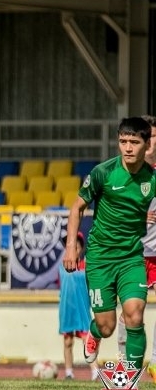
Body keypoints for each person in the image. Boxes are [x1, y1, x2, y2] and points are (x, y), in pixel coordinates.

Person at [63, 116, 156, 373]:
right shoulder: (103, 172)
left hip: (132, 259)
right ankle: (94, 332)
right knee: (107, 326)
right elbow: (76, 207)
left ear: (147, 145)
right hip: (100, 260)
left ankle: (129, 379)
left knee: (135, 314)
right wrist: (70, 247)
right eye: (123, 141)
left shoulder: (152, 179)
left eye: (134, 142)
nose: (128, 148)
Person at [117, 113, 156, 382]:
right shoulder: (123, 172)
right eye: (150, 136)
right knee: (132, 313)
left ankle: (154, 362)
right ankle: (126, 368)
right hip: (134, 252)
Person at [57, 232, 99, 380]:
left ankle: (95, 371)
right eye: (70, 245)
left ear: (81, 248)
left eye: (76, 245)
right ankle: (69, 372)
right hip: (67, 309)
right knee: (68, 341)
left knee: (87, 341)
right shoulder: (62, 267)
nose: (73, 248)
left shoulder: (87, 267)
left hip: (82, 308)